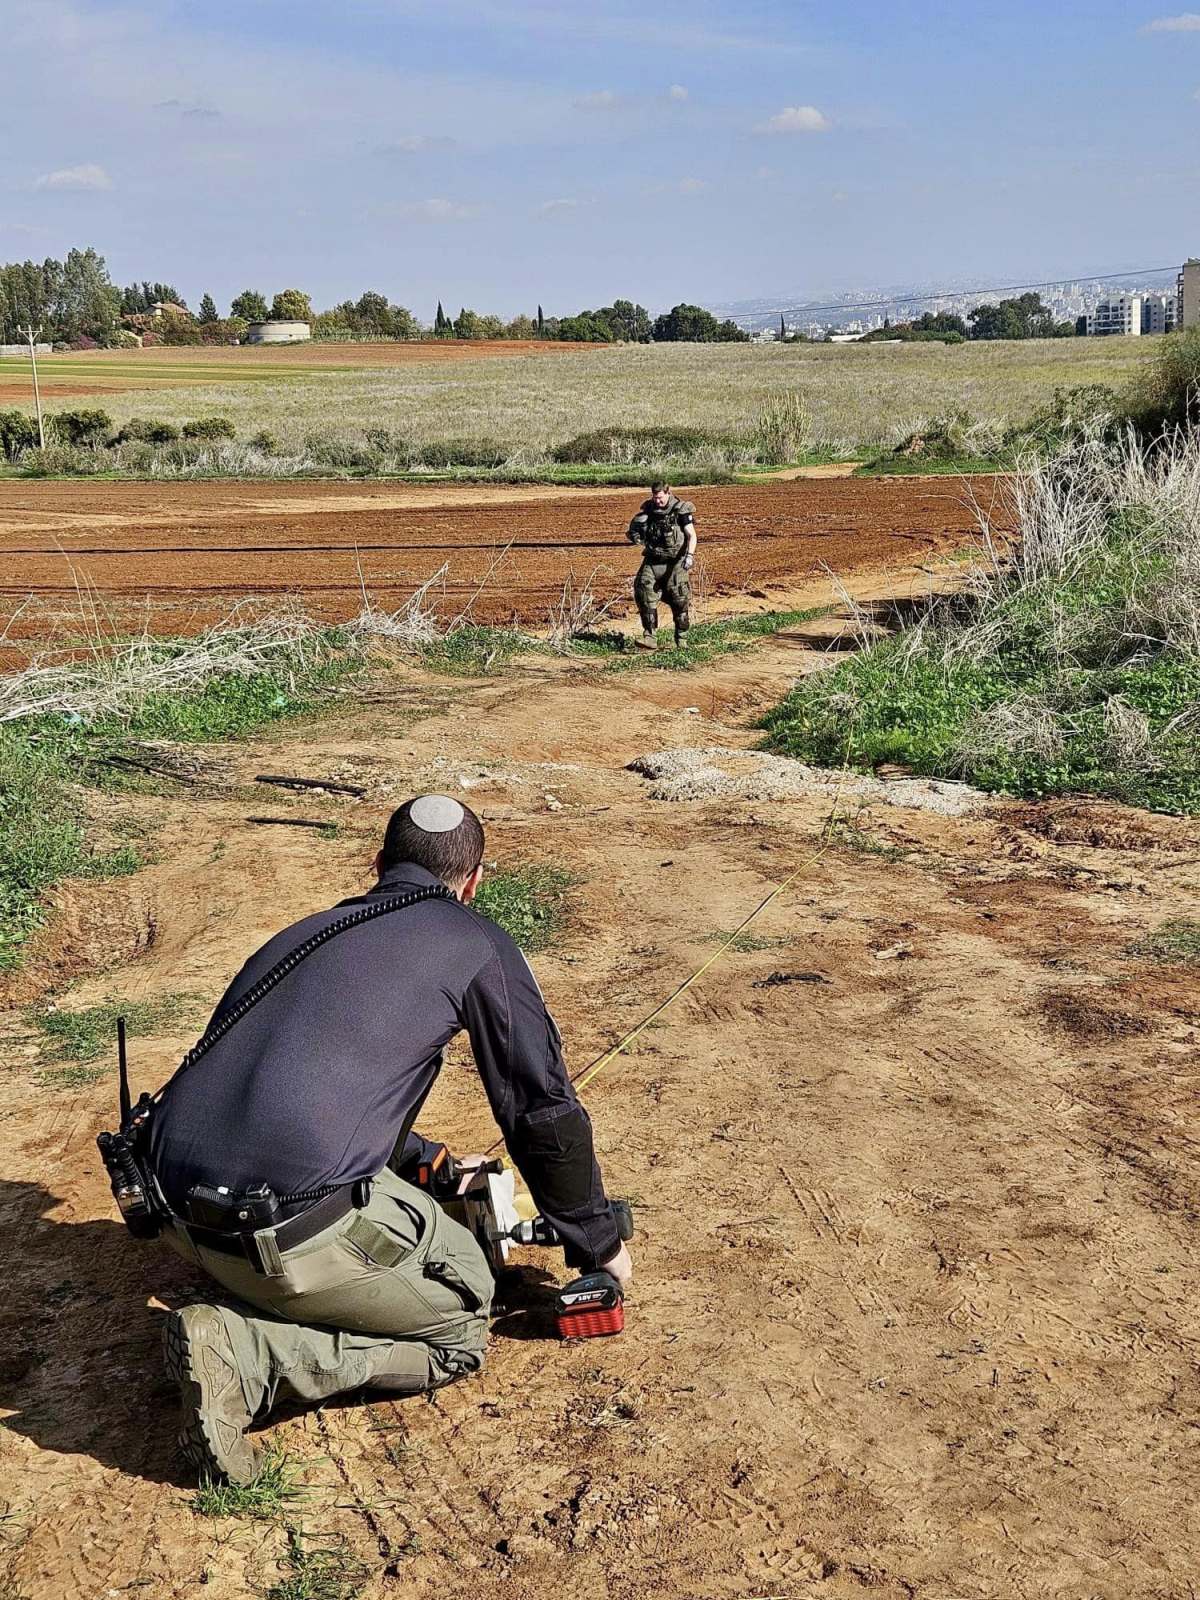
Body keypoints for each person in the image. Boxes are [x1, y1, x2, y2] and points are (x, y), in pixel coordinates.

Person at [149, 794, 631, 1484]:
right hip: (278, 1242)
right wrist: (598, 1244)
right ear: (474, 882)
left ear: (378, 865)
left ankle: (258, 1301)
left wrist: (420, 1157)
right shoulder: (476, 944)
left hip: (170, 1210)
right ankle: (249, 1354)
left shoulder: (303, 934)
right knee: (461, 1322)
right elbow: (538, 1107)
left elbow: (296, 1075)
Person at [626, 481, 697, 649]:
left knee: (680, 599)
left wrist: (689, 556)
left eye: (660, 497)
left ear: (668, 493)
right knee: (644, 592)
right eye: (654, 497)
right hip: (653, 559)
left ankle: (682, 640)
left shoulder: (681, 510)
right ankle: (649, 637)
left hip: (676, 563)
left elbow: (691, 535)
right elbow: (634, 530)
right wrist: (636, 535)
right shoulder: (649, 509)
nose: (657, 501)